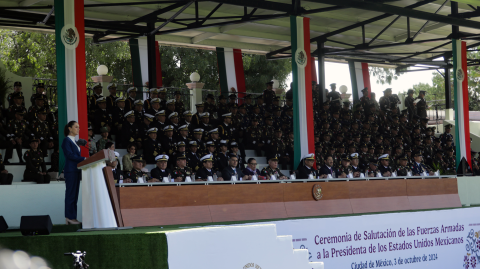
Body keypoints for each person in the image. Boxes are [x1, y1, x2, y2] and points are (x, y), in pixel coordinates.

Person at [61, 121, 87, 225]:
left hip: (76, 170)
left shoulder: (74, 141)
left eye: (79, 127)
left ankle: (73, 217)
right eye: (76, 127)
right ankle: (69, 217)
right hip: (71, 170)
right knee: (70, 194)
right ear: (69, 128)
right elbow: (70, 155)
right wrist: (84, 158)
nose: (78, 129)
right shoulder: (66, 140)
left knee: (75, 195)